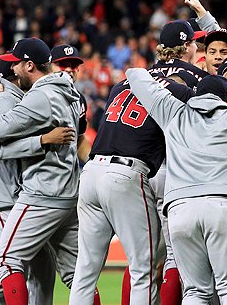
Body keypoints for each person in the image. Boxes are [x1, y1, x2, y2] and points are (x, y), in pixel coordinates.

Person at [0, 38, 95, 305]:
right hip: (66, 195)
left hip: (41, 194)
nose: (13, 69)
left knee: (8, 263)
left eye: (17, 64)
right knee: (76, 277)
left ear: (30, 65)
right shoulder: (74, 96)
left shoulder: (39, 96)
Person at [126, 68, 227, 304]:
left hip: (180, 209)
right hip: (223, 205)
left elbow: (134, 74)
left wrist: (184, 90)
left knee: (195, 291)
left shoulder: (173, 111)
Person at [68, 60, 193, 304]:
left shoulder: (121, 86)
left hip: (92, 170)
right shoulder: (178, 91)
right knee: (142, 268)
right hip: (126, 173)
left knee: (84, 270)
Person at [50, 44, 92, 162]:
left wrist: (91, 163)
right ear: (49, 67)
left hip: (67, 171)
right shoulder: (36, 94)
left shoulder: (80, 99)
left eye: (73, 65)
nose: (68, 70)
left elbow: (79, 139)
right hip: (39, 171)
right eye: (62, 64)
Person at [147, 20, 208, 88]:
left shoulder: (147, 74)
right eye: (194, 42)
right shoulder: (198, 77)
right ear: (186, 46)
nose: (196, 47)